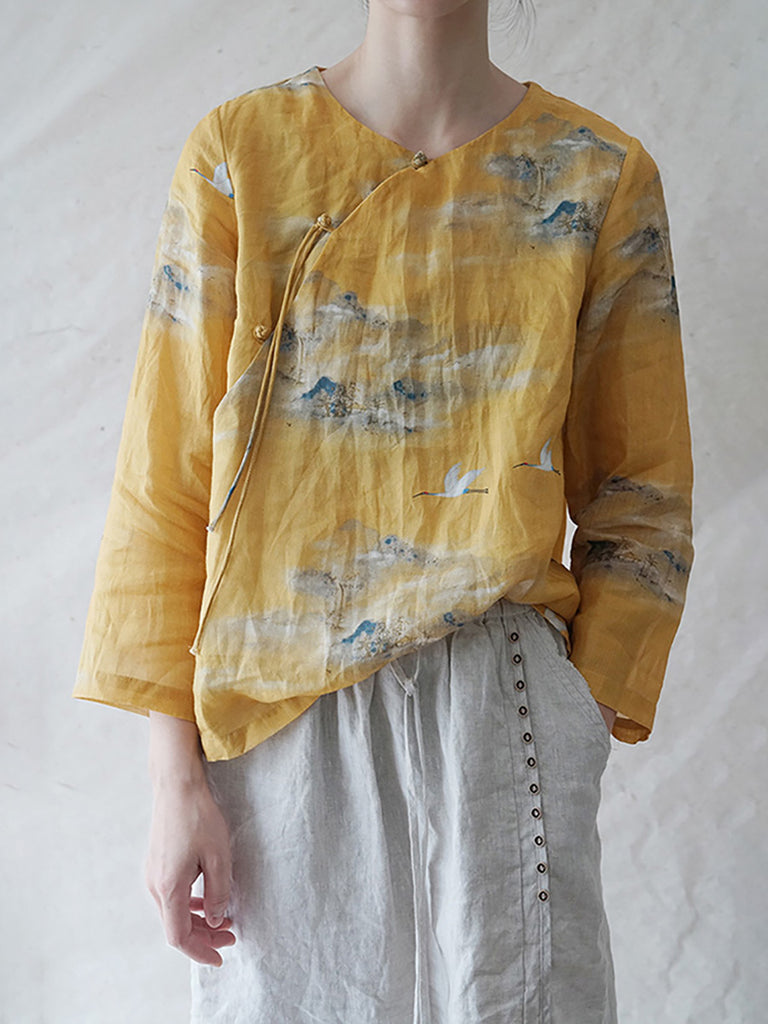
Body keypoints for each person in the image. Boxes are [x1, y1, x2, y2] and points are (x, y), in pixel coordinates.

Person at [72, 1, 695, 1020]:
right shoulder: (241, 153)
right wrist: (171, 778)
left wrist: (572, 720)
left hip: (503, 708)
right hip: (277, 718)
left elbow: (644, 500)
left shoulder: (598, 175)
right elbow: (166, 479)